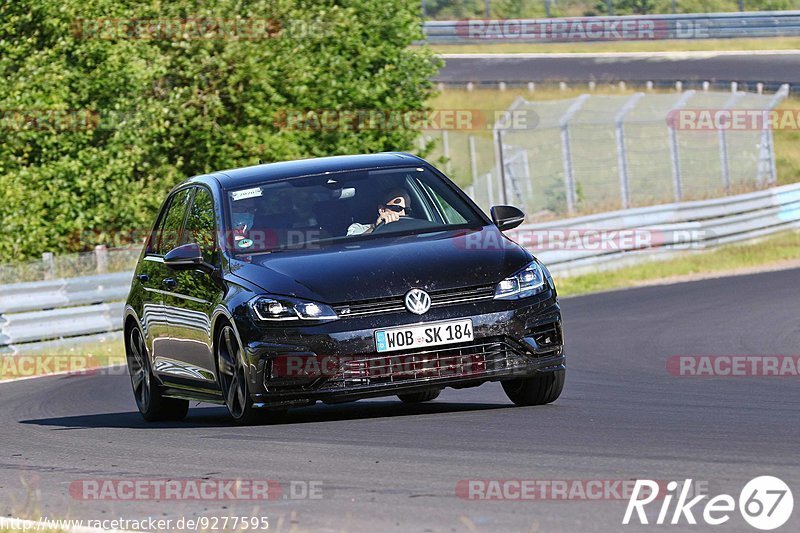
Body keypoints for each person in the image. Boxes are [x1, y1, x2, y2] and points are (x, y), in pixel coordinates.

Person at [347, 187, 411, 236]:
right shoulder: (358, 228)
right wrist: (375, 227)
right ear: (382, 210)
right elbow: (353, 247)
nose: (403, 214)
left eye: (406, 210)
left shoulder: (412, 228)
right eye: (397, 208)